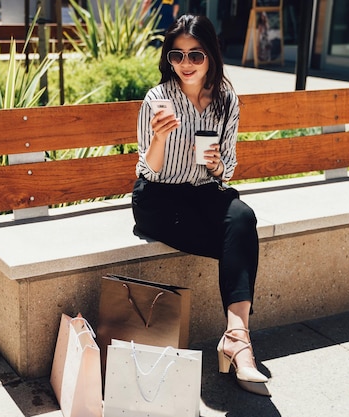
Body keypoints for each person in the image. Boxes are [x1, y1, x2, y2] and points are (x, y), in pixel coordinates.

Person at [131, 14, 270, 396]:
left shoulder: (226, 99)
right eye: (177, 56)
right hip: (159, 200)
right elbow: (148, 169)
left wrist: (217, 165)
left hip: (204, 193)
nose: (186, 64)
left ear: (210, 55)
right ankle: (239, 349)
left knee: (242, 217)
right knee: (239, 244)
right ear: (168, 59)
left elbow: (227, 168)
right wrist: (158, 140)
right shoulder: (158, 99)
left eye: (196, 55)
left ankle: (236, 336)